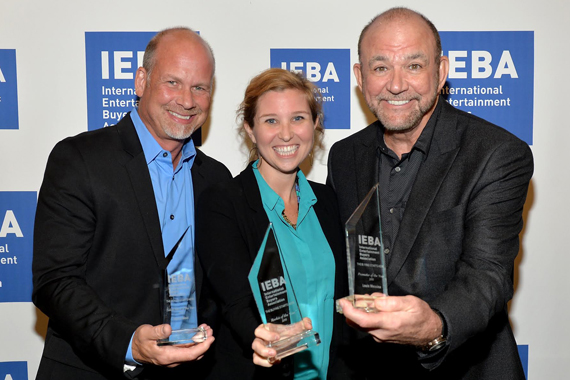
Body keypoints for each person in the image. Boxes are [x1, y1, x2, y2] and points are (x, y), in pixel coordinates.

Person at [329, 7, 533, 379]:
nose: (395, 84)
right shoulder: (344, 156)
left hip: (462, 367)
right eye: (380, 67)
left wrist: (434, 326)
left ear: (441, 72)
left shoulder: (496, 152)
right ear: (360, 77)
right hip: (367, 367)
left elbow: (488, 275)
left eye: (413, 65)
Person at [32, 28, 231, 380]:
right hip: (92, 371)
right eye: (173, 82)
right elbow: (56, 281)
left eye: (200, 87)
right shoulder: (80, 159)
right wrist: (129, 342)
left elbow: (218, 284)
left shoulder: (215, 178)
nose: (187, 100)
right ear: (141, 80)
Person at [195, 68, 349, 379]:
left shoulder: (328, 201)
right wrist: (264, 338)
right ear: (250, 129)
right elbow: (235, 302)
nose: (287, 133)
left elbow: (341, 302)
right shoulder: (223, 202)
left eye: (298, 118)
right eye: (271, 121)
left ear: (315, 123)